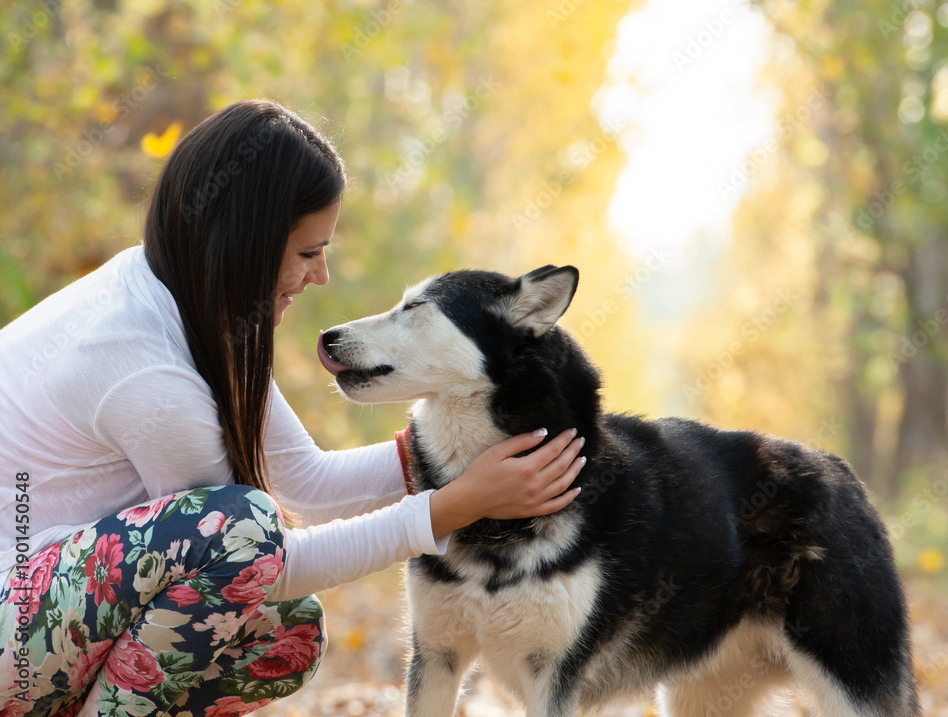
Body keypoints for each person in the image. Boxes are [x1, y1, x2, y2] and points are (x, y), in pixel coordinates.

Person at [0, 99, 585, 717]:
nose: (321, 274)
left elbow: (304, 482)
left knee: (287, 635)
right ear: (245, 241)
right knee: (243, 535)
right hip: (15, 622)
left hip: (49, 610)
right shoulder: (147, 369)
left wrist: (457, 454)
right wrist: (455, 504)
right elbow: (252, 557)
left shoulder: (188, 305)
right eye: (308, 253)